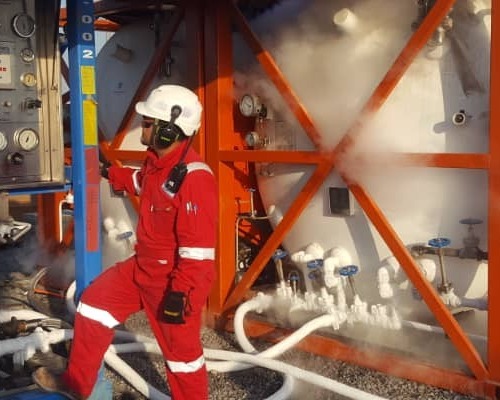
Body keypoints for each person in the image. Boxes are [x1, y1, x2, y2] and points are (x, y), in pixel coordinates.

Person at [32, 84, 218, 400]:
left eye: (147, 123)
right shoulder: (158, 165)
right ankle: (78, 383)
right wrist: (108, 172)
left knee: (182, 361)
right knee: (92, 306)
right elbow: (139, 181)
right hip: (141, 267)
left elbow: (198, 253)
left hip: (172, 282)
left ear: (169, 131)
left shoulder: (195, 178)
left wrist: (180, 295)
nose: (141, 127)